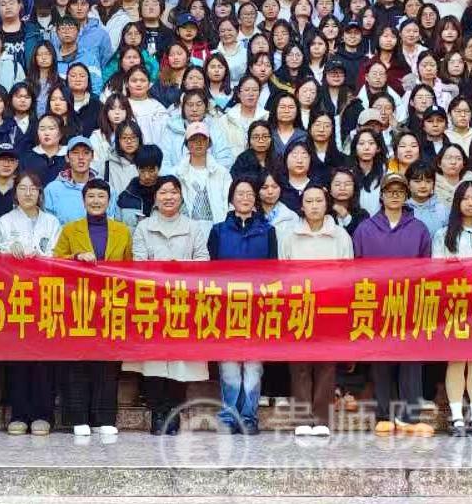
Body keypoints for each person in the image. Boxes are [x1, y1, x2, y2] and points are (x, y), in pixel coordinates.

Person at [352, 172, 434, 435]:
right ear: (382, 195)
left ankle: (410, 417)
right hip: (376, 302)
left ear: (406, 195)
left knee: (411, 360)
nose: (395, 195)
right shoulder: (365, 229)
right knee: (381, 360)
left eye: (399, 191)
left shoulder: (419, 229)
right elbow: (355, 268)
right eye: (390, 191)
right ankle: (383, 414)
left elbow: (427, 268)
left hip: (409, 303)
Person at [131, 175, 210, 435]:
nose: (169, 197)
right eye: (163, 192)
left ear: (181, 196)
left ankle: (174, 413)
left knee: (180, 362)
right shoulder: (143, 228)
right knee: (154, 361)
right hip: (152, 301)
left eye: (174, 192)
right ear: (155, 197)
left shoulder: (193, 227)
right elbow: (138, 263)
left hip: (183, 302)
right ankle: (157, 412)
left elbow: (203, 260)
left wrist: (181, 269)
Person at [54, 178, 132, 437]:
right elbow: (55, 262)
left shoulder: (122, 231)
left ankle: (104, 417)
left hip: (110, 305)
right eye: (91, 196)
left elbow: (131, 267)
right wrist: (76, 258)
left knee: (107, 364)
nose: (96, 201)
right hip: (78, 304)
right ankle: (78, 417)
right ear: (83, 200)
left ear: (109, 201)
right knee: (77, 363)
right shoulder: (70, 230)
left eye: (101, 196)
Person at [278, 184, 352, 436]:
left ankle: (322, 419)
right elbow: (283, 272)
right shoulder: (289, 235)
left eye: (319, 201)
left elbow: (348, 274)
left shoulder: (340, 236)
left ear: (326, 203)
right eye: (309, 201)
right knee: (299, 364)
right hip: (299, 305)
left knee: (326, 364)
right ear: (302, 206)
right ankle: (302, 419)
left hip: (330, 306)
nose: (314, 206)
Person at [207, 177, 277, 434]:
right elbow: (210, 271)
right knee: (229, 367)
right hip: (226, 308)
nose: (245, 198)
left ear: (255, 199)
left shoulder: (268, 231)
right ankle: (229, 416)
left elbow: (274, 271)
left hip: (257, 308)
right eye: (240, 193)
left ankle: (248, 417)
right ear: (231, 198)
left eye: (249, 194)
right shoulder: (218, 231)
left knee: (253, 367)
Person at [0, 171, 60, 435]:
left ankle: (43, 415)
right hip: (15, 298)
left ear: (40, 193)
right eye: (23, 188)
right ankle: (19, 414)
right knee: (17, 359)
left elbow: (57, 255)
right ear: (15, 193)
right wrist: (8, 252)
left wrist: (40, 256)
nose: (28, 193)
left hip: (44, 297)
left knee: (44, 359)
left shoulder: (52, 222)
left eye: (33, 188)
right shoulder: (3, 222)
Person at [432, 180, 472, 436]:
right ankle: (457, 417)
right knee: (456, 359)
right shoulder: (443, 235)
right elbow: (437, 270)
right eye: (465, 198)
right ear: (457, 202)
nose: (470, 203)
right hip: (454, 304)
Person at [169, 122, 230, 225]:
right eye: (193, 139)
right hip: (184, 230)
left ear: (208, 142)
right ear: (187, 144)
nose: (199, 143)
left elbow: (229, 202)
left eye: (203, 139)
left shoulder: (222, 173)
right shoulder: (175, 174)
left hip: (217, 229)